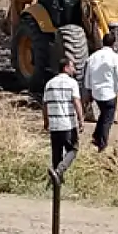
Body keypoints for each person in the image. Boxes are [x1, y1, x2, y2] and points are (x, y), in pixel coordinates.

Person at [85, 30, 118, 152]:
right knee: (108, 119)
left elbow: (88, 75)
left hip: (96, 93)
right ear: (113, 43)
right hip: (109, 94)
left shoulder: (92, 57)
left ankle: (96, 136)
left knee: (104, 114)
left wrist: (89, 91)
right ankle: (102, 144)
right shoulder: (115, 57)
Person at [43, 57, 83, 185]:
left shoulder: (49, 84)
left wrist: (46, 122)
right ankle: (60, 170)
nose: (74, 70)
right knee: (73, 149)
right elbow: (76, 102)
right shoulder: (72, 83)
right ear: (65, 68)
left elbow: (45, 105)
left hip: (54, 125)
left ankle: (56, 183)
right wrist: (81, 120)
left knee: (56, 154)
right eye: (72, 67)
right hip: (68, 125)